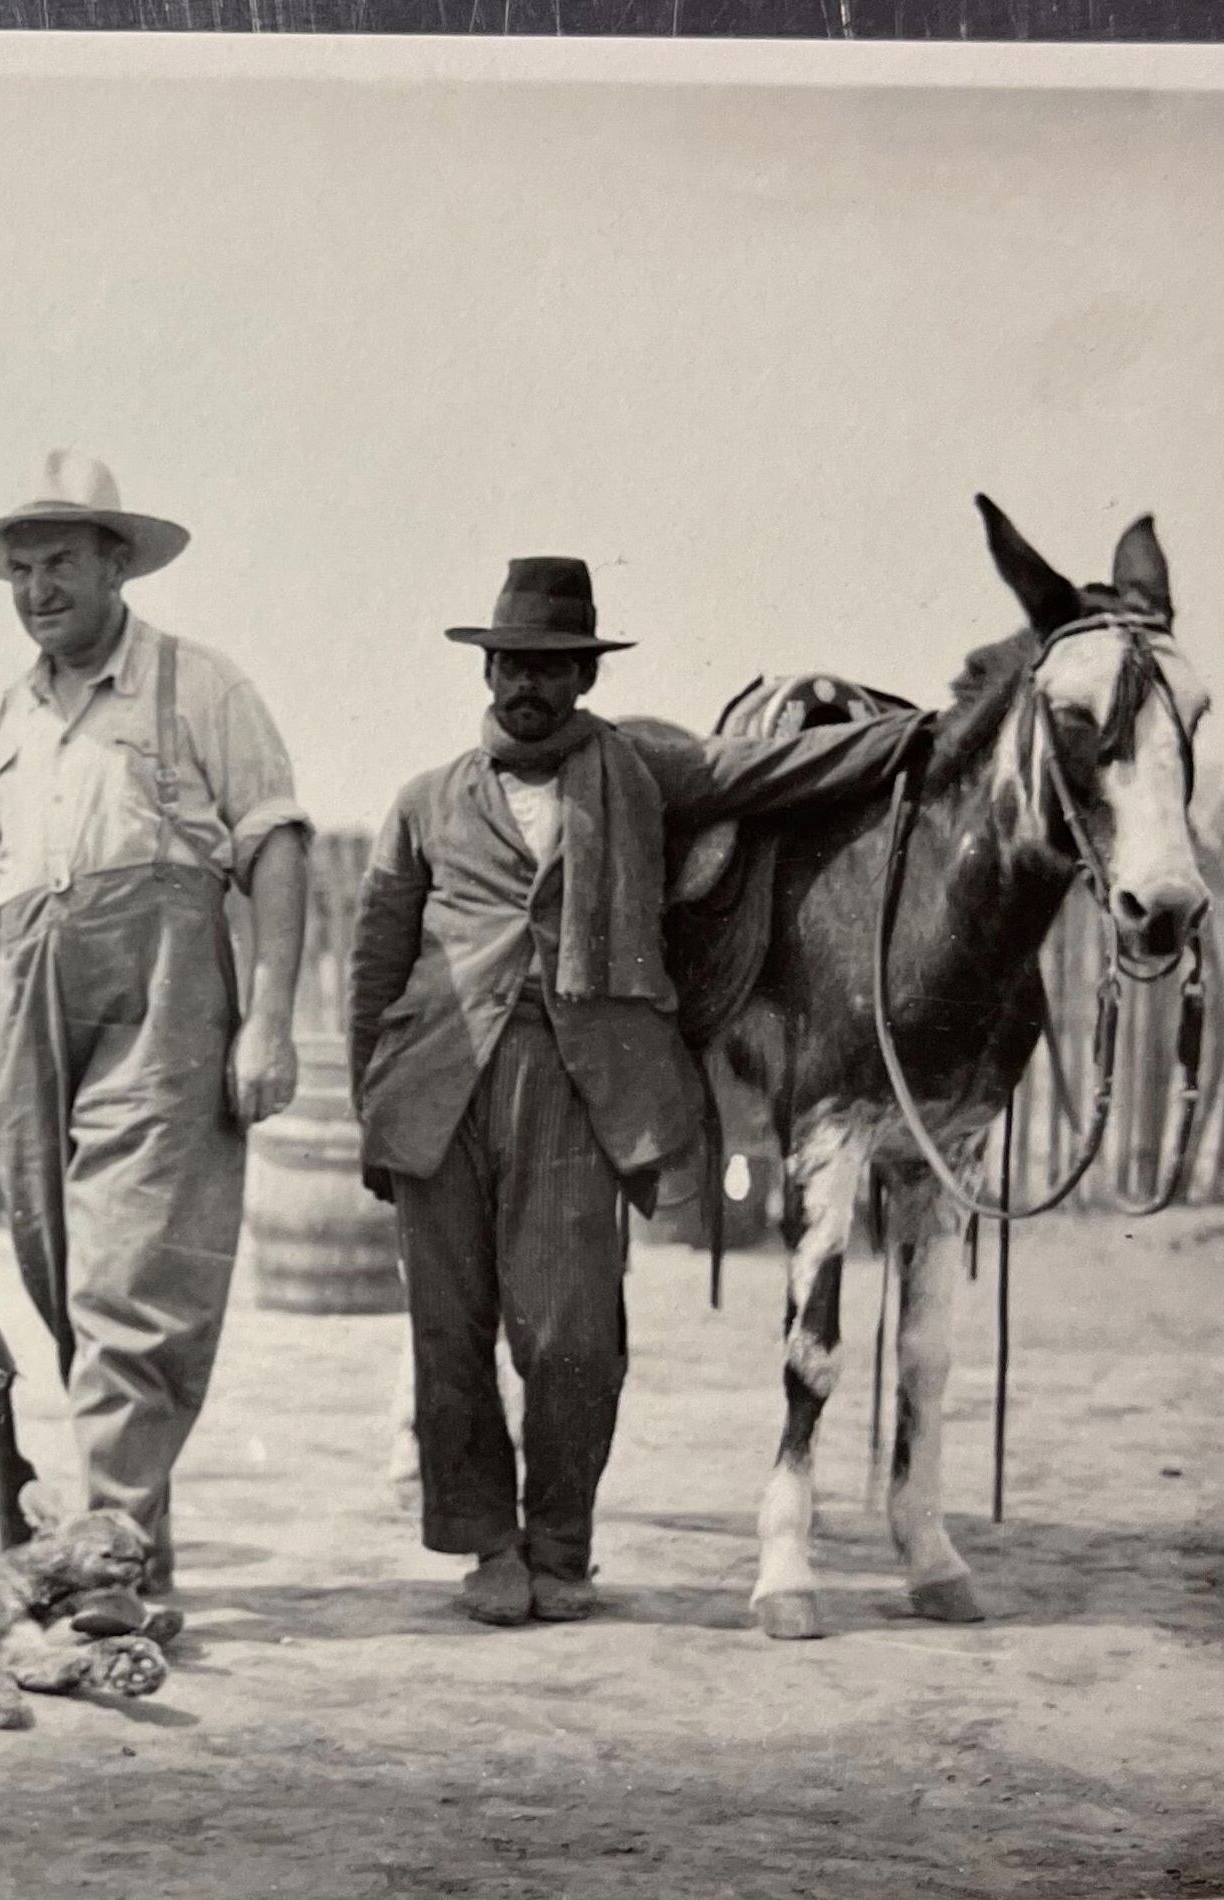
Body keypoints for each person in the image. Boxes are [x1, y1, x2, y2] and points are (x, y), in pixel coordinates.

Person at [346, 555, 928, 1626]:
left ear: (583, 678)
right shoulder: (424, 802)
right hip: (435, 1090)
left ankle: (561, 1547)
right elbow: (375, 961)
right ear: (488, 673)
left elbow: (778, 771)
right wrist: (372, 1109)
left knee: (573, 1333)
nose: (530, 683)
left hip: (580, 1086)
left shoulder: (643, 767)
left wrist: (927, 734)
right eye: (514, 663)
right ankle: (487, 1546)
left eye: (555, 666)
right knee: (448, 1330)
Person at [0, 452, 311, 1617]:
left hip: (163, 997)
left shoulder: (200, 687)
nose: (38, 588)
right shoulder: (6, 711)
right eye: (21, 569)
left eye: (60, 564)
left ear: (115, 562)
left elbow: (278, 843)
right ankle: (133, 1543)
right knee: (61, 1274)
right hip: (32, 1005)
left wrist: (270, 1021)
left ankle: (109, 1573)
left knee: (128, 1281)